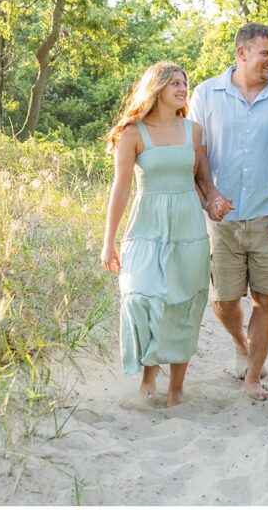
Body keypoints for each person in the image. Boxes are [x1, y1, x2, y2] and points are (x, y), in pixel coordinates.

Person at [188, 22, 268, 402]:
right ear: (242, 53)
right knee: (223, 301)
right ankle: (242, 343)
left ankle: (253, 376)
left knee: (265, 299)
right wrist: (210, 195)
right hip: (223, 220)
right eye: (266, 53)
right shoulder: (206, 94)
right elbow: (198, 152)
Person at [101, 62, 217, 407]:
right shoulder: (132, 133)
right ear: (156, 88)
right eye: (174, 83)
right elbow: (120, 189)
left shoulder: (193, 131)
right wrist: (109, 241)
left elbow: (202, 182)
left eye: (184, 83)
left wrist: (215, 200)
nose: (182, 89)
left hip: (187, 227)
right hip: (147, 225)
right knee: (141, 297)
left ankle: (176, 387)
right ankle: (149, 374)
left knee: (183, 303)